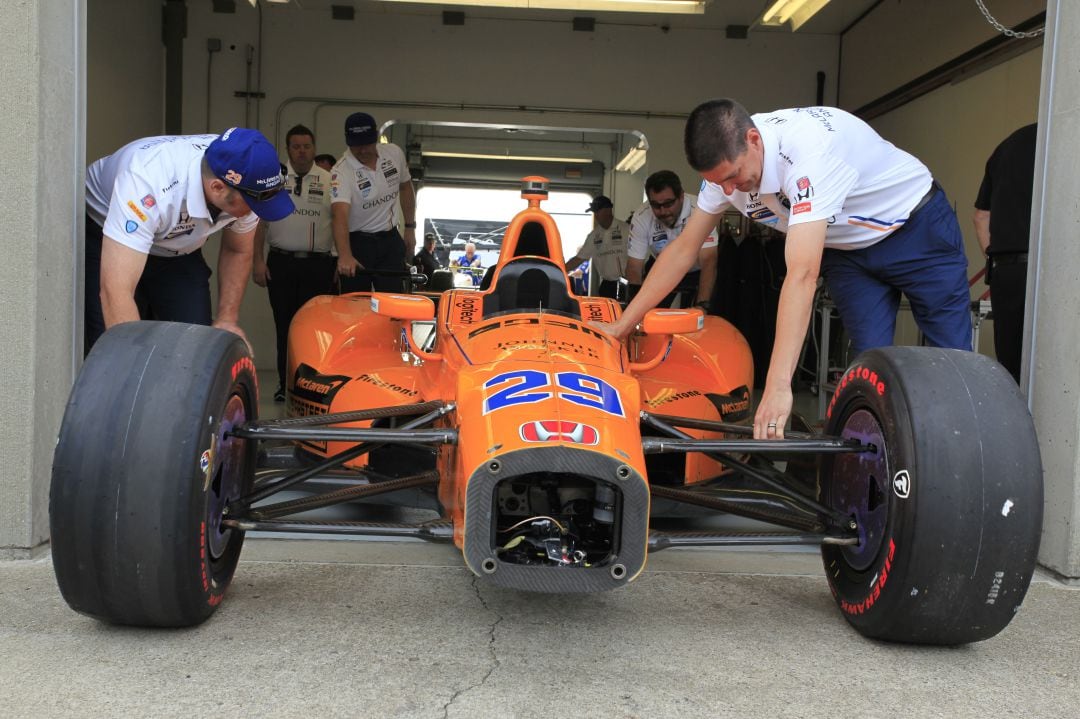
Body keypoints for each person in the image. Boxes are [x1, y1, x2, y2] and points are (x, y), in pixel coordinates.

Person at [599, 99, 972, 440]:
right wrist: (624, 323)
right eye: (718, 183)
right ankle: (882, 460)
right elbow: (683, 250)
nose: (730, 189)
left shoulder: (809, 154)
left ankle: (958, 453)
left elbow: (802, 276)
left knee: (952, 357)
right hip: (848, 249)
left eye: (735, 176)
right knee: (871, 364)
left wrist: (778, 385)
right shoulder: (725, 174)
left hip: (916, 227)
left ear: (753, 140)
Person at [84, 128, 293, 355]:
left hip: (177, 247)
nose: (257, 212)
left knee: (193, 346)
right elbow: (116, 291)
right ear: (217, 188)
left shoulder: (248, 181)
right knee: (113, 349)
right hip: (107, 230)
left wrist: (227, 319)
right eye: (254, 206)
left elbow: (237, 250)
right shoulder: (147, 181)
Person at [252, 124, 335, 402]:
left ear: (314, 148)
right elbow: (258, 225)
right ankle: (283, 384)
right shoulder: (273, 180)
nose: (301, 151)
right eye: (296, 146)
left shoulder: (329, 180)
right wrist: (257, 262)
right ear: (287, 150)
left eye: (307, 146)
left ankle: (311, 386)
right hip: (281, 263)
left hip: (319, 266)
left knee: (314, 329)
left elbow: (339, 223)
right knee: (284, 326)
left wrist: (337, 260)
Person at [973, 123, 1037, 384]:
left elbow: (981, 217)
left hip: (1006, 272)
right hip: (1054, 270)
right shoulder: (1064, 140)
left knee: (1011, 369)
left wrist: (995, 259)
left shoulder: (1008, 145)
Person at [331, 112, 416, 293]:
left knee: (393, 300)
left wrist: (410, 227)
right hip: (358, 243)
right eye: (356, 145)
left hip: (390, 238)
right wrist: (344, 255)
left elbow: (406, 187)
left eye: (367, 144)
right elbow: (339, 215)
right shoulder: (341, 171)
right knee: (355, 301)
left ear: (376, 137)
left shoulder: (394, 153)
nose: (362, 150)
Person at [626, 170, 718, 310]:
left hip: (696, 270)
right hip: (661, 267)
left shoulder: (701, 210)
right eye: (656, 205)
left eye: (668, 204)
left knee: (701, 315)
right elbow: (634, 267)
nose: (663, 211)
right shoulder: (642, 215)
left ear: (681, 196)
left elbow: (709, 260)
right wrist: (634, 308)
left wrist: (702, 306)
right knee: (649, 314)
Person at [565, 195, 629, 299]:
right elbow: (579, 259)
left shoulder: (626, 229)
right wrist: (560, 270)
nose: (596, 215)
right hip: (606, 285)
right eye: (594, 212)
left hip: (625, 283)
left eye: (598, 211)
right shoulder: (594, 235)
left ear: (608, 210)